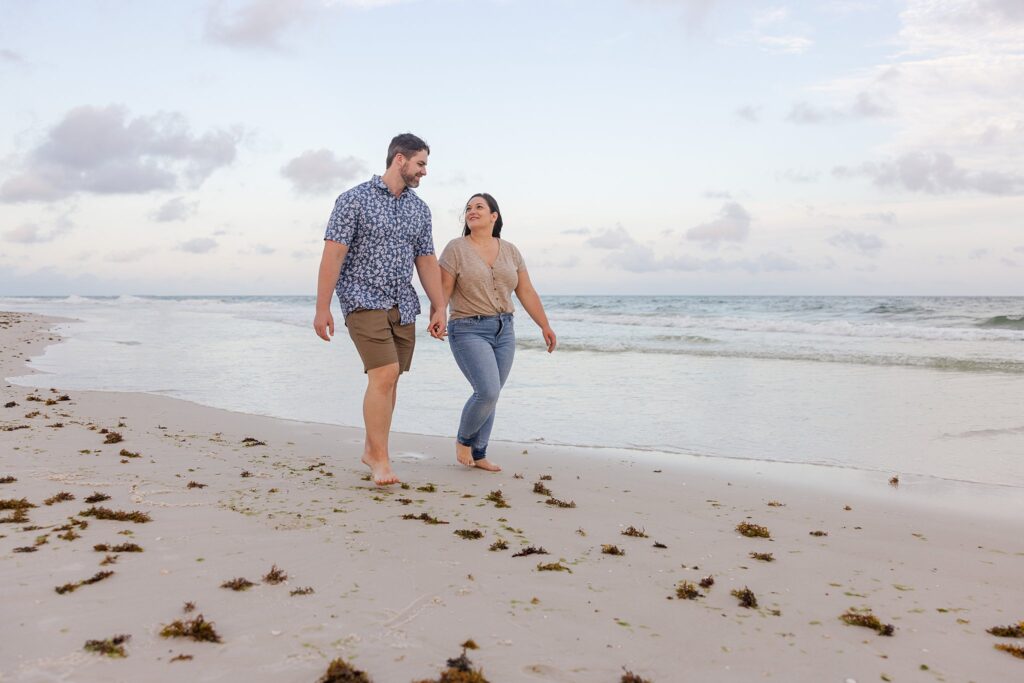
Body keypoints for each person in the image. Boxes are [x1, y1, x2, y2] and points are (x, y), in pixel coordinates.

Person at [313, 133, 446, 486]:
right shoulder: (354, 200)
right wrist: (322, 306)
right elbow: (334, 253)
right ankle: (380, 460)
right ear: (399, 160)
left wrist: (439, 306)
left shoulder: (420, 209)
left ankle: (374, 450)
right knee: (384, 374)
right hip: (362, 298)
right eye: (421, 164)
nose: (424, 172)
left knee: (390, 380)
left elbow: (427, 260)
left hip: (402, 303)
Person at [438, 193, 556, 472]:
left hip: (504, 330)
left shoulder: (511, 251)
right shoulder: (456, 248)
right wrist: (437, 315)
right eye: (468, 208)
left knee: (492, 394)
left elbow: (525, 291)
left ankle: (480, 455)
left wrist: (545, 325)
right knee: (487, 391)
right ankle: (463, 441)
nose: (472, 211)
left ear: (494, 216)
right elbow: (443, 289)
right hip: (467, 328)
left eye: (479, 207)